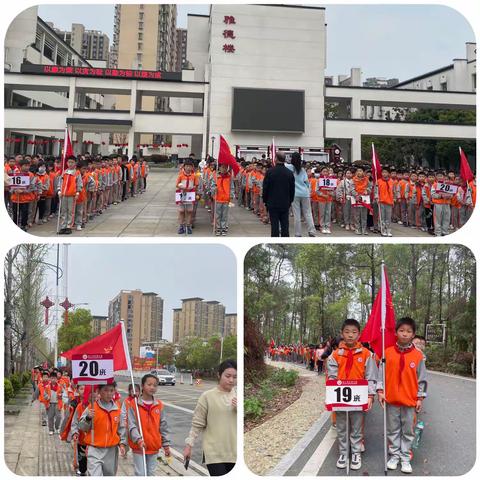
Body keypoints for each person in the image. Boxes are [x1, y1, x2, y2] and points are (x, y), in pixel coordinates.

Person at [377, 317, 427, 474]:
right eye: (402, 330)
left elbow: (422, 379)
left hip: (410, 401)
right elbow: (381, 375)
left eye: (409, 331)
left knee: (407, 430)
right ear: (396, 332)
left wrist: (420, 398)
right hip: (391, 400)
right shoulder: (388, 352)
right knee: (392, 430)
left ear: (413, 335)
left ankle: (405, 457)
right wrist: (380, 391)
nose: (405, 334)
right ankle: (394, 456)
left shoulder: (418, 356)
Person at [327, 319, 377, 470]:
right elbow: (332, 377)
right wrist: (332, 396)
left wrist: (370, 395)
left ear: (359, 334)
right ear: (342, 334)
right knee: (342, 426)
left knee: (356, 426)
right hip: (341, 398)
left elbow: (371, 377)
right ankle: (343, 452)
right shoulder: (335, 355)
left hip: (358, 398)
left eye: (354, 332)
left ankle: (355, 452)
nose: (350, 335)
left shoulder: (367, 354)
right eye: (347, 332)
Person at [183, 360, 237, 476]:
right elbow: (197, 423)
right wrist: (189, 445)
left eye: (234, 377)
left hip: (236, 454)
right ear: (219, 375)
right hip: (214, 454)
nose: (231, 380)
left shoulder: (240, 395)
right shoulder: (207, 396)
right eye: (227, 376)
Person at [127, 374, 172, 476]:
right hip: (139, 446)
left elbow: (163, 426)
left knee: (151, 473)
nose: (152, 387)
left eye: (155, 385)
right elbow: (131, 425)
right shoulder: (134, 404)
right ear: (142, 386)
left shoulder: (159, 405)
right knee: (141, 474)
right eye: (149, 384)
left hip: (153, 446)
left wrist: (166, 445)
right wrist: (138, 439)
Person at [78, 383, 127, 476]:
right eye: (105, 390)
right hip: (95, 449)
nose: (109, 393)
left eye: (111, 390)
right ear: (99, 391)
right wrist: (88, 418)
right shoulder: (92, 408)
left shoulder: (117, 409)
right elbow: (81, 427)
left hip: (111, 451)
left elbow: (121, 429)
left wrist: (122, 444)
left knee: (109, 475)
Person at [262, 152, 295, 237]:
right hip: (285, 203)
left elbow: (266, 188)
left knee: (274, 226)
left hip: (272, 203)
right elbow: (292, 189)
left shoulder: (270, 172)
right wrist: (290, 201)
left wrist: (265, 200)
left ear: (276, 159)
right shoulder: (289, 173)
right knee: (285, 225)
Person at [287, 152, 316, 237]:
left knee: (297, 214)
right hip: (305, 193)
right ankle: (312, 231)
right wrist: (308, 191)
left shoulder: (289, 168)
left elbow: (282, 164)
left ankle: (298, 233)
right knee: (308, 213)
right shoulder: (302, 170)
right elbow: (307, 183)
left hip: (295, 194)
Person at [57, 156, 83, 235]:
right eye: (69, 162)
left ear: (75, 163)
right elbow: (60, 182)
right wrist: (59, 190)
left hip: (72, 195)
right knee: (63, 211)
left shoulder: (77, 173)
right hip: (64, 194)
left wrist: (78, 192)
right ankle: (63, 226)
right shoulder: (64, 172)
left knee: (70, 211)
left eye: (72, 162)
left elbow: (79, 183)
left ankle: (69, 226)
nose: (70, 164)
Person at [210, 162, 235, 236]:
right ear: (219, 168)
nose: (224, 169)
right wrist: (214, 188)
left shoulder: (229, 177)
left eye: (225, 167)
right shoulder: (216, 177)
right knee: (217, 214)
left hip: (226, 199)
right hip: (218, 198)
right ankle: (218, 228)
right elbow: (212, 186)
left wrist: (231, 195)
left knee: (224, 215)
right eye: (222, 167)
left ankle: (223, 228)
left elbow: (232, 187)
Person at [176, 159, 198, 235]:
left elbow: (196, 185)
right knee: (181, 211)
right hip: (182, 194)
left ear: (192, 167)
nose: (188, 168)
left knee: (189, 211)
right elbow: (177, 184)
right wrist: (181, 187)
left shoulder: (194, 176)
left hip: (190, 195)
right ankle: (181, 226)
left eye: (190, 166)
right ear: (184, 167)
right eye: (187, 166)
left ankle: (188, 225)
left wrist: (192, 188)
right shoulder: (181, 175)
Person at [375, 167, 394, 236]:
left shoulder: (392, 181)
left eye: (386, 172)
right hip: (381, 201)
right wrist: (376, 197)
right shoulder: (378, 181)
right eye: (383, 172)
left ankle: (388, 230)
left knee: (388, 217)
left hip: (389, 202)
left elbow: (393, 191)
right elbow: (376, 191)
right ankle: (382, 230)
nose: (384, 174)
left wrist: (393, 199)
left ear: (389, 173)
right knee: (382, 216)